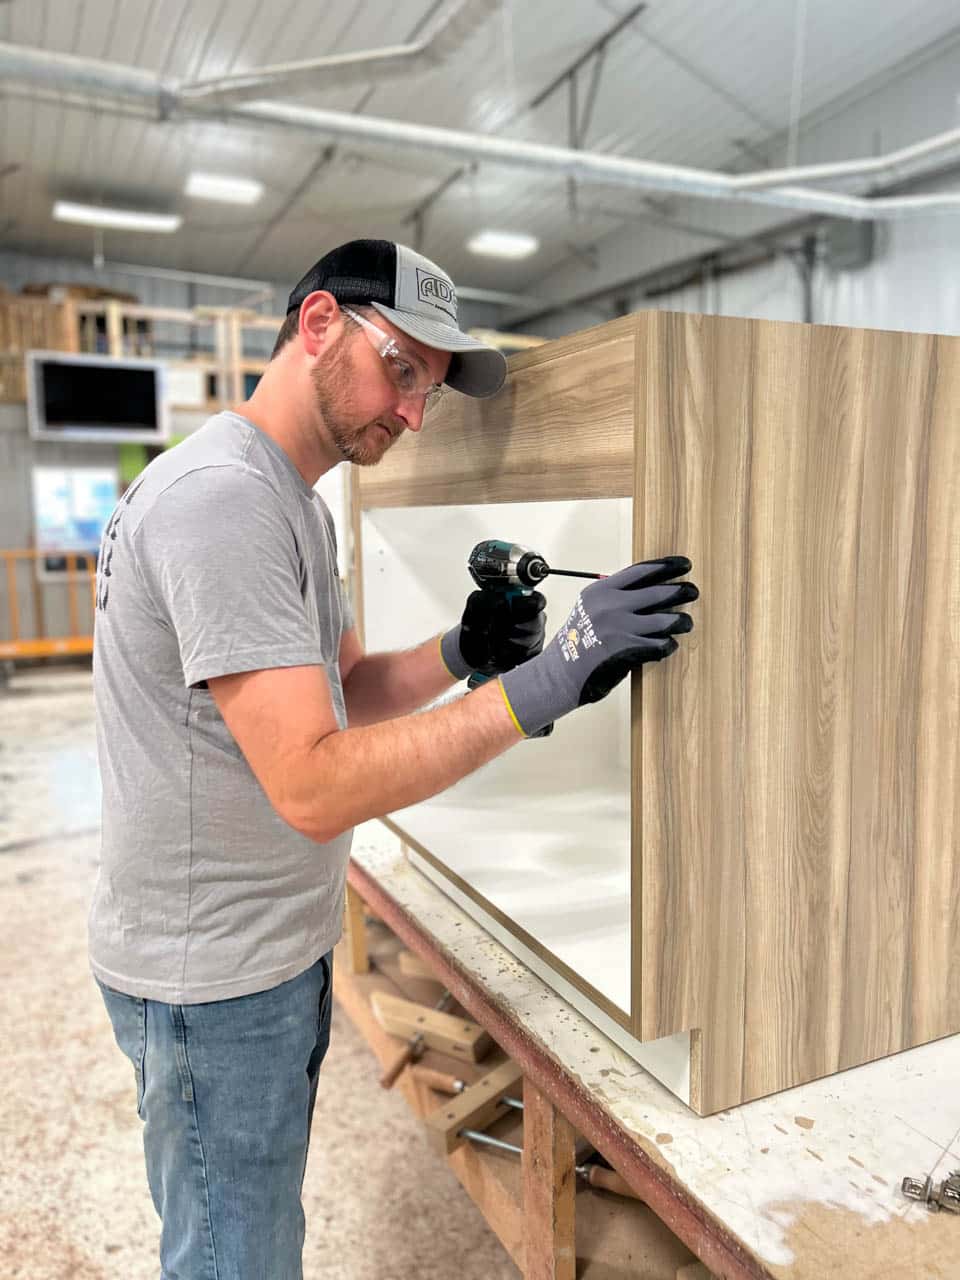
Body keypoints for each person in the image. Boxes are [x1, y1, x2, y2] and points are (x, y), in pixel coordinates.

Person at [90, 238, 697, 1279]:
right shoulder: (223, 501)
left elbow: (345, 694)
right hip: (211, 978)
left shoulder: (288, 500)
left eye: (430, 389)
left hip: (261, 950)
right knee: (236, 1259)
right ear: (319, 323)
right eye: (402, 369)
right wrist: (547, 681)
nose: (414, 413)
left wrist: (463, 650)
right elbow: (314, 783)